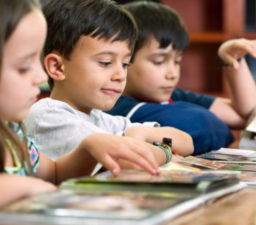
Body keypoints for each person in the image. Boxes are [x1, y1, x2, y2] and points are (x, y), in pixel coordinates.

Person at [0, 0, 164, 208]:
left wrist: (88, 148)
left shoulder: (13, 134)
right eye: (24, 67)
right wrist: (25, 187)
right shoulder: (45, 116)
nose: (40, 75)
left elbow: (55, 173)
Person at [24, 0, 194, 169]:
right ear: (57, 67)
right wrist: (166, 152)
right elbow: (129, 162)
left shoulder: (99, 118)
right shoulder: (49, 118)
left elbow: (186, 142)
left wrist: (144, 134)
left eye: (125, 64)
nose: (120, 75)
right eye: (105, 62)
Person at [107, 1, 256, 155]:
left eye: (177, 61)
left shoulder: (174, 96)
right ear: (125, 60)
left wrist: (232, 60)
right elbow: (197, 124)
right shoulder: (115, 107)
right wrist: (217, 126)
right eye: (159, 61)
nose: (172, 73)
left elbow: (250, 115)